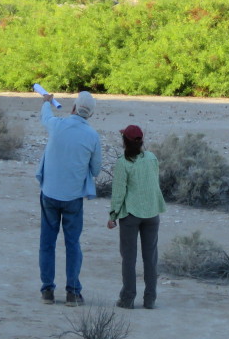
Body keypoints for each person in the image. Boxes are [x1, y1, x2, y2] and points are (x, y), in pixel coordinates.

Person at [36, 90, 102, 307]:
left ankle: (47, 291)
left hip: (50, 193)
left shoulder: (57, 125)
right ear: (90, 114)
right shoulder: (93, 136)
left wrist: (47, 102)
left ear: (73, 107)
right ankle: (73, 292)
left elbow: (46, 117)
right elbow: (95, 170)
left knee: (47, 243)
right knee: (72, 244)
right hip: (73, 197)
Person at [107, 124, 166, 309]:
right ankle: (150, 299)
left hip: (131, 214)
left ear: (124, 141)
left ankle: (127, 298)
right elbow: (153, 181)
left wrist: (113, 215)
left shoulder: (122, 162)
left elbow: (118, 192)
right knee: (150, 259)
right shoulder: (151, 158)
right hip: (152, 212)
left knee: (129, 258)